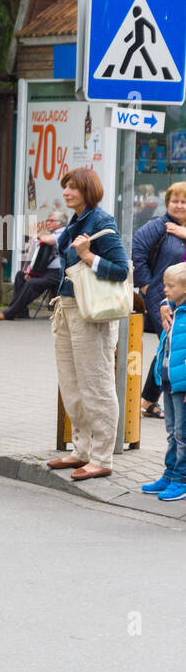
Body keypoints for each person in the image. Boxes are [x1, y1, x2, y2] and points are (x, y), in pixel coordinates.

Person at [46, 168, 131, 481]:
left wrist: (88, 256)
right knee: (71, 383)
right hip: (67, 306)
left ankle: (101, 456)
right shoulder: (75, 221)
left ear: (88, 190)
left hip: (91, 312)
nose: (67, 192)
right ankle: (81, 449)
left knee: (95, 384)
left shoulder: (101, 221)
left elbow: (121, 270)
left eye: (73, 187)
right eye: (65, 186)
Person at [131, 181, 186, 418]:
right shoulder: (159, 226)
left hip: (182, 298)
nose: (179, 206)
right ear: (167, 203)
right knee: (170, 343)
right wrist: (145, 285)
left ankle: (148, 399)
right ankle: (156, 399)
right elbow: (138, 250)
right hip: (163, 298)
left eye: (184, 202)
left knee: (169, 344)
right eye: (175, 201)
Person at [143, 262, 186, 500]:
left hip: (183, 384)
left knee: (183, 433)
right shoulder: (174, 309)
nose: (164, 290)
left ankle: (181, 479)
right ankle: (170, 474)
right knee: (172, 432)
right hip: (170, 381)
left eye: (170, 286)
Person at [0, 210, 67, 321]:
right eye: (47, 220)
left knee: (31, 282)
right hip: (46, 271)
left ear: (61, 223)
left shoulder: (64, 233)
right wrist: (30, 272)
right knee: (20, 275)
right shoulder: (51, 234)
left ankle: (10, 312)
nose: (47, 222)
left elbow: (52, 240)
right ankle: (21, 311)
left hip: (58, 272)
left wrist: (39, 237)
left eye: (51, 220)